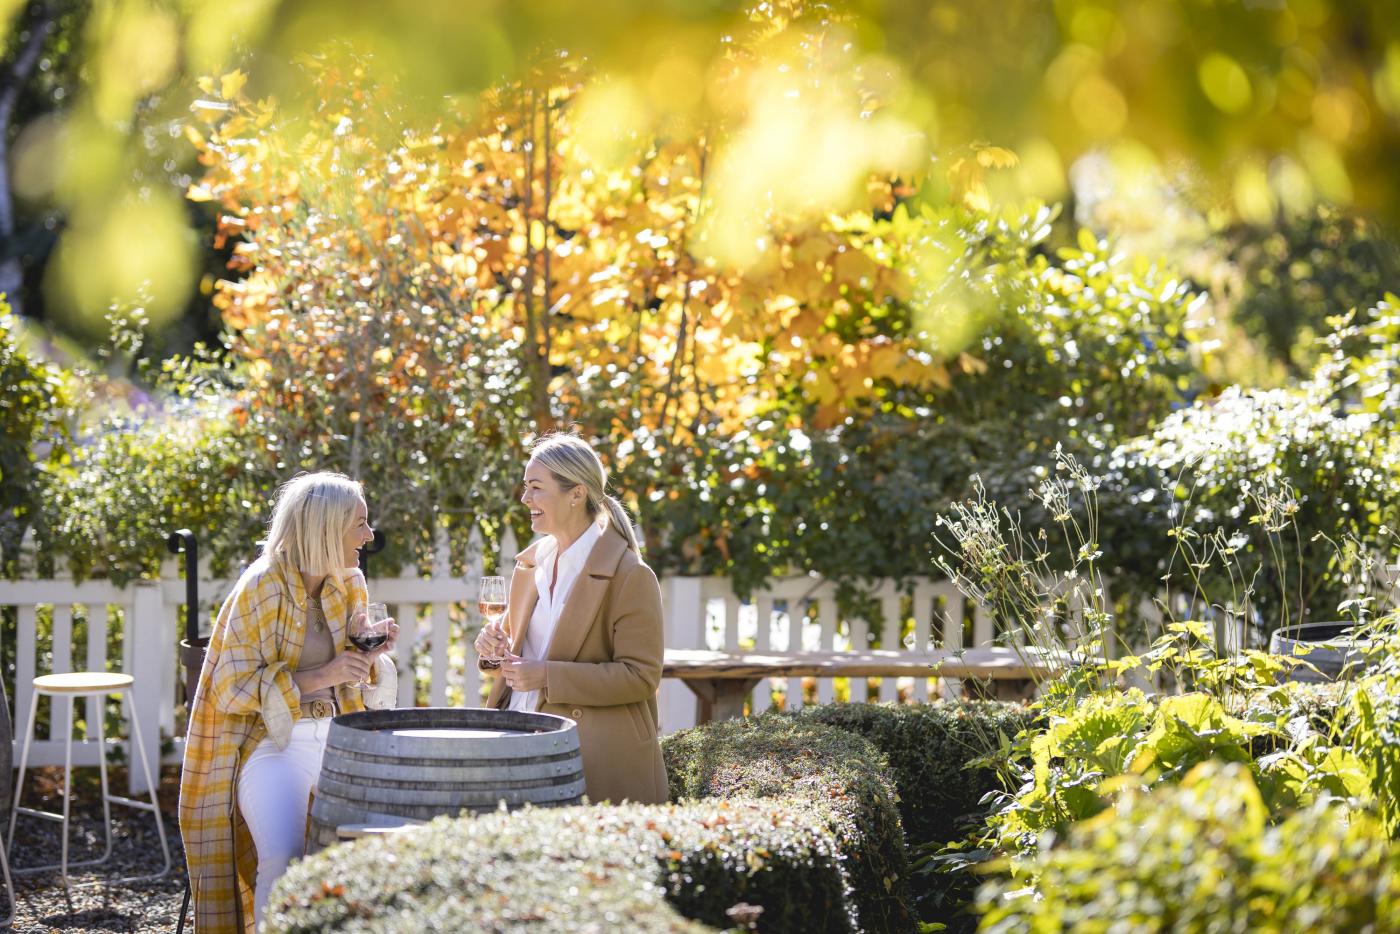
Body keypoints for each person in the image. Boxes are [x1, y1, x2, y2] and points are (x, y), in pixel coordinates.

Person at [179, 472, 399, 933]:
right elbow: (231, 686)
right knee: (283, 856)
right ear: (325, 527)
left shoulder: (350, 580)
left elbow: (355, 677)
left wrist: (370, 654)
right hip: (274, 744)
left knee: (379, 847)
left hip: (341, 740)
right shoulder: (262, 585)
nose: (369, 535)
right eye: (359, 524)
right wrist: (326, 673)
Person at [474, 433, 668, 804]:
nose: (525, 498)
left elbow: (641, 677)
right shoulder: (531, 565)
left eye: (536, 487)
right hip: (517, 742)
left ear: (576, 494)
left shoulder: (630, 575)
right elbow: (517, 653)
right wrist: (493, 649)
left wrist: (547, 675)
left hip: (591, 758)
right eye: (525, 487)